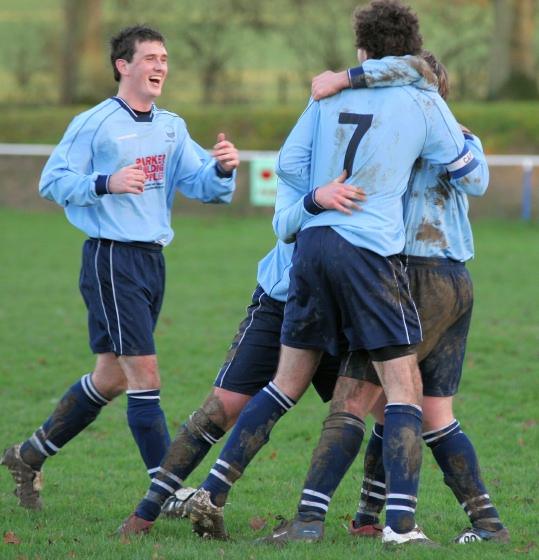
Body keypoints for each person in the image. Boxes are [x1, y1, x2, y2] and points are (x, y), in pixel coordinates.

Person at [181, 0, 485, 547]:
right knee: (400, 390)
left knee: (286, 381)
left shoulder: (329, 94)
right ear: (412, 52)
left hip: (314, 246)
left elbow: (291, 165)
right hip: (374, 255)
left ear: (362, 50)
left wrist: (321, 192)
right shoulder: (421, 99)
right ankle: (397, 526)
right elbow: (465, 169)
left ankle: (213, 490)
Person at [257, 50, 509, 546]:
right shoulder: (459, 137)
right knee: (432, 410)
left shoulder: (398, 134)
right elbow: (476, 178)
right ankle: (485, 524)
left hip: (408, 276)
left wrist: (344, 78)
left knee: (356, 400)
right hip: (456, 278)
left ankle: (318, 520)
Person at [0, 24, 239, 511]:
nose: (159, 66)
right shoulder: (96, 123)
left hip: (152, 261)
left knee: (111, 377)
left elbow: (202, 184)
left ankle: (27, 455)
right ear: (122, 66)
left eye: (165, 59)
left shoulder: (172, 125)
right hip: (112, 258)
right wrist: (106, 182)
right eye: (150, 58)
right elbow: (54, 181)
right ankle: (168, 491)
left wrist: (222, 168)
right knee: (145, 375)